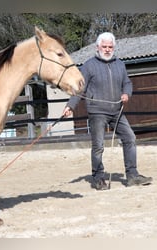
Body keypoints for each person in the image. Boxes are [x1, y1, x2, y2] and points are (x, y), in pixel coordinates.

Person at [63, 32, 152, 190]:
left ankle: (132, 176)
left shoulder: (120, 64)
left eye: (110, 47)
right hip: (97, 112)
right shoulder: (89, 65)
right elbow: (79, 88)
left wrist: (126, 93)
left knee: (130, 137)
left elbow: (127, 83)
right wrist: (70, 105)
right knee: (98, 146)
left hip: (117, 111)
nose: (107, 49)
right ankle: (98, 178)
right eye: (104, 46)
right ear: (97, 47)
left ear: (114, 47)